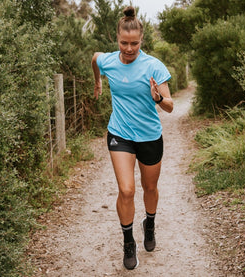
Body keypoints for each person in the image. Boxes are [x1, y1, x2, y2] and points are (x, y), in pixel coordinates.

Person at [91, 6, 173, 270]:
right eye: (124, 43)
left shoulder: (153, 66)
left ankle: (149, 223)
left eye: (134, 43)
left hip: (150, 136)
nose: (129, 48)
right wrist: (98, 82)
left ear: (142, 41)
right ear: (117, 39)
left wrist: (158, 97)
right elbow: (95, 58)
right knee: (126, 190)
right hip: (120, 134)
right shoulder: (109, 61)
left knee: (150, 189)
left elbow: (170, 106)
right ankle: (129, 242)